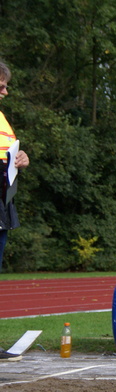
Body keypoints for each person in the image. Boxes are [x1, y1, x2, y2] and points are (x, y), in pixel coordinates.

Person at [0, 61, 30, 272]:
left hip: (3, 204)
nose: (6, 92)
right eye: (1, 86)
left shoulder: (2, 119)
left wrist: (21, 159)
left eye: (6, 86)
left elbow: (8, 157)